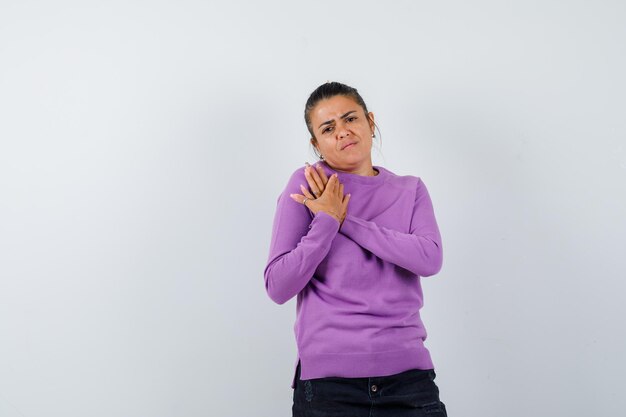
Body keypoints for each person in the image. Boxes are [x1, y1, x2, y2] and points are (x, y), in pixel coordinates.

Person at [263, 81, 448, 417]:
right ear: (316, 143)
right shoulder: (306, 186)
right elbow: (278, 285)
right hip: (329, 386)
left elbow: (429, 258)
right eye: (328, 128)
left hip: (407, 378)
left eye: (350, 119)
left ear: (370, 122)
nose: (343, 132)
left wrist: (343, 219)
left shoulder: (410, 189)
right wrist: (324, 223)